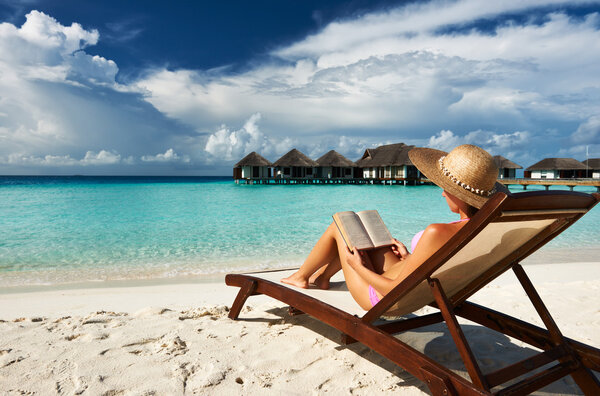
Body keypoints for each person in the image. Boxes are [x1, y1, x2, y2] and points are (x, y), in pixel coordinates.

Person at [281, 144, 506, 310]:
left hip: (382, 298)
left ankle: (301, 277)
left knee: (340, 224)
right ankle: (322, 278)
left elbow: (392, 290)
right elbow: (432, 269)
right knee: (359, 231)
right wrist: (409, 257)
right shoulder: (482, 231)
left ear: (460, 195)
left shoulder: (438, 232)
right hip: (413, 289)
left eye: (445, 188)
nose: (442, 192)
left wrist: (358, 267)